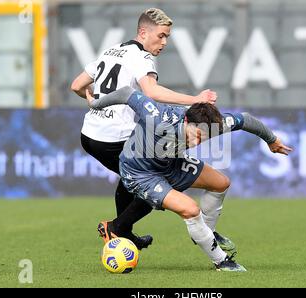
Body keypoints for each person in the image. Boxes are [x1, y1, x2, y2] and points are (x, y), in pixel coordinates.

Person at [86, 86, 293, 271]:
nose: (197, 141)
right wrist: (96, 104)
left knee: (221, 183)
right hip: (139, 172)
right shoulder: (158, 117)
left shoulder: (213, 124)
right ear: (186, 120)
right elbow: (127, 93)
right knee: (191, 209)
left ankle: (207, 234)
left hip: (170, 164)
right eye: (195, 134)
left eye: (203, 137)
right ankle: (222, 261)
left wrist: (272, 140)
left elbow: (246, 119)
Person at [70, 8, 217, 250]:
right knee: (154, 180)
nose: (164, 42)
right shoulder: (142, 57)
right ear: (143, 32)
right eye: (161, 35)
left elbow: (77, 85)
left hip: (90, 135)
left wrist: (96, 101)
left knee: (130, 178)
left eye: (167, 36)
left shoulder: (112, 50)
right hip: (114, 137)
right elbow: (152, 92)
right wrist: (195, 99)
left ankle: (123, 233)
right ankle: (116, 229)